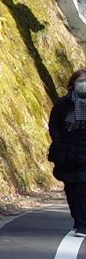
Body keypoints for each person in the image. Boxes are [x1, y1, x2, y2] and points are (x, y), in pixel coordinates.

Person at [50, 67, 86, 236]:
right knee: (71, 189)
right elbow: (54, 125)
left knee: (81, 189)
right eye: (80, 82)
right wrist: (60, 144)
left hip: (84, 155)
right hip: (66, 154)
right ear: (72, 84)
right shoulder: (63, 104)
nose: (83, 85)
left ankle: (82, 224)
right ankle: (77, 219)